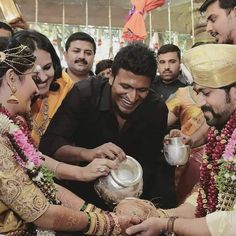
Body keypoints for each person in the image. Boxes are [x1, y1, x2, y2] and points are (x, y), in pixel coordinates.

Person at [0, 35, 137, 236]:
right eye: (32, 76)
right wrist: (110, 224)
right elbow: (43, 214)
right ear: (12, 79)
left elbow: (37, 169)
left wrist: (83, 179)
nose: (36, 87)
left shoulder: (10, 126)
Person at [40, 43, 177, 210]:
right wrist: (87, 154)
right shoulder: (85, 94)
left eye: (142, 90)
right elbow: (50, 144)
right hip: (78, 198)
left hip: (131, 201)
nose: (132, 97)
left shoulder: (155, 109)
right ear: (111, 77)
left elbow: (152, 166)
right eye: (125, 86)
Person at [126, 43, 236, 236]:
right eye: (197, 92)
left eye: (207, 93)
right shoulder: (221, 131)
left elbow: (230, 222)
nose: (200, 102)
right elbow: (204, 201)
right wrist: (158, 215)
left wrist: (167, 225)